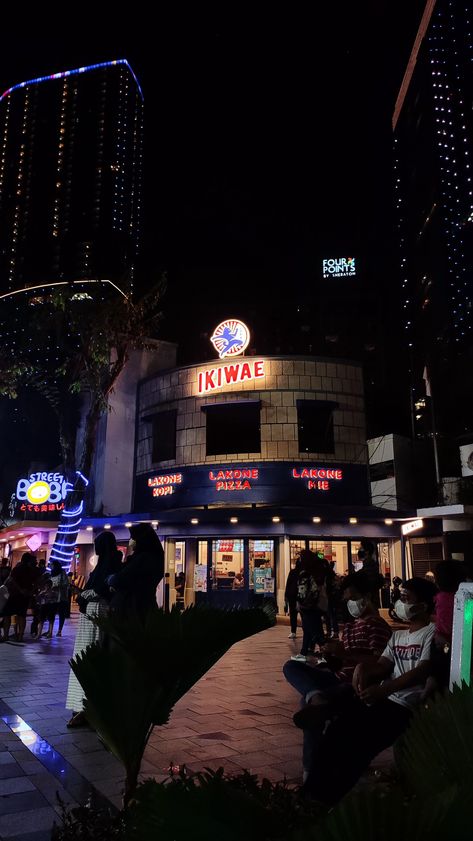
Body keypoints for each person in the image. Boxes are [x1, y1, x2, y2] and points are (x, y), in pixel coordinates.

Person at [302, 577, 437, 804]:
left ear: (423, 605)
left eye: (406, 598)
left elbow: (421, 671)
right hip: (383, 699)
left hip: (403, 705)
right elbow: (383, 664)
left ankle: (326, 799)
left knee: (357, 746)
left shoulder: (431, 634)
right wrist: (364, 669)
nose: (400, 603)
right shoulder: (399, 636)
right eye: (400, 597)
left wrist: (384, 690)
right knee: (336, 731)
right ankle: (309, 794)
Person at [283, 571, 391, 780]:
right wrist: (331, 656)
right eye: (347, 599)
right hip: (337, 676)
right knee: (292, 666)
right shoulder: (350, 627)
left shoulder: (376, 625)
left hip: (356, 683)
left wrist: (344, 653)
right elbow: (343, 660)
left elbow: (381, 662)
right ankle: (316, 695)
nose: (349, 604)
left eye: (353, 599)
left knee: (308, 707)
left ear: (366, 597)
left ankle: (310, 771)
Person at [66, 531, 123, 727]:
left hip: (97, 616)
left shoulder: (111, 565)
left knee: (90, 655)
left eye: (98, 543)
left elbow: (104, 590)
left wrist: (89, 593)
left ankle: (88, 708)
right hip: (89, 616)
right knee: (83, 655)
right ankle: (82, 706)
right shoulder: (106, 564)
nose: (96, 547)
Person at [107, 523, 164, 617]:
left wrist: (111, 579)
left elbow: (122, 578)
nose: (131, 541)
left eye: (133, 538)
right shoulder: (156, 557)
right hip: (146, 605)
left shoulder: (142, 558)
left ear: (141, 539)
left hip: (133, 608)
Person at [291, 550, 328, 663]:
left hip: (308, 606)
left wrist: (299, 603)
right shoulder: (318, 571)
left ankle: (325, 654)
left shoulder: (305, 573)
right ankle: (304, 652)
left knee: (315, 631)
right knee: (308, 629)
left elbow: (302, 591)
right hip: (316, 606)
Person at [0, 553, 39, 642]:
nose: (35, 562)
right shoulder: (32, 571)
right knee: (22, 615)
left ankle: (6, 635)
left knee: (7, 614)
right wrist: (31, 591)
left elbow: (12, 580)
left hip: (14, 595)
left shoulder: (17, 569)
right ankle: (20, 636)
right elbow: (37, 582)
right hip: (25, 596)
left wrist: (20, 589)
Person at [48, 560, 71, 638]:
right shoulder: (51, 573)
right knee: (51, 613)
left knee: (61, 614)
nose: (50, 566)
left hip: (61, 597)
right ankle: (50, 630)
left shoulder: (62, 573)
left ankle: (59, 631)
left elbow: (66, 584)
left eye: (52, 565)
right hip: (52, 597)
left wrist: (58, 586)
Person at [284, 559, 301, 639]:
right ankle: (305, 631)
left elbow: (288, 584)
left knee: (293, 615)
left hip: (292, 596)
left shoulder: (293, 572)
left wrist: (286, 595)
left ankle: (293, 631)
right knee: (303, 615)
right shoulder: (304, 573)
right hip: (301, 597)